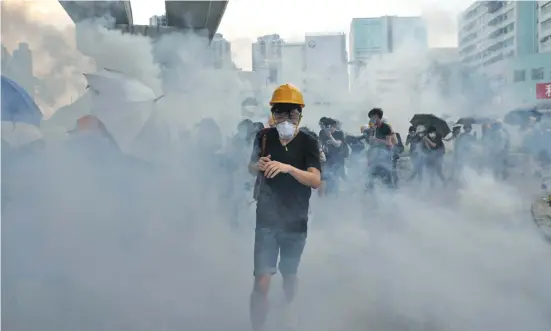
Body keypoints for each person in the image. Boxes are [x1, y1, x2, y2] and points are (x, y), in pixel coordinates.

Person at [248, 84, 321, 331]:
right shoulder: (264, 137)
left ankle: (290, 312)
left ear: (300, 114)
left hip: (295, 220)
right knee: (261, 281)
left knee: (289, 276)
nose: (286, 119)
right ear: (273, 114)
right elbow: (250, 167)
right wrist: (258, 164)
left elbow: (315, 180)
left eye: (292, 113)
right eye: (281, 113)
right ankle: (257, 326)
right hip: (266, 219)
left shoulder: (309, 141)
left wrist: (288, 168)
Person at [365, 108, 396, 191]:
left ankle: (392, 198)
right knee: (370, 179)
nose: (371, 120)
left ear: (377, 117)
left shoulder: (385, 127)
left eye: (372, 117)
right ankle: (370, 198)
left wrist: (376, 140)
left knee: (387, 181)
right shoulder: (374, 128)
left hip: (384, 159)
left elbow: (389, 144)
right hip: (375, 158)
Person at [318, 117, 347, 195]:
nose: (323, 128)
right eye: (322, 126)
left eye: (325, 127)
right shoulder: (321, 132)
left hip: (338, 160)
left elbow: (337, 144)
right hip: (327, 159)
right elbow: (320, 143)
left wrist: (330, 135)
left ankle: (335, 197)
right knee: (324, 177)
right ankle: (324, 197)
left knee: (335, 178)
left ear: (331, 126)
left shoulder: (339, 133)